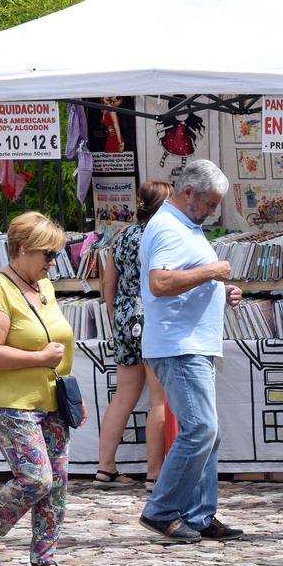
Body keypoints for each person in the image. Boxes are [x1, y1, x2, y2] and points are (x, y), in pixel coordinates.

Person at [0, 212, 86, 566]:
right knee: (35, 478)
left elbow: (56, 340)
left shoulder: (43, 287)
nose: (54, 263)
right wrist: (39, 359)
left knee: (58, 482)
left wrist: (61, 374)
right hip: (11, 401)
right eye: (48, 255)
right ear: (24, 249)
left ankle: (42, 561)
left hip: (51, 398)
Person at [137, 160, 246, 544]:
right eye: (211, 203)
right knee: (200, 429)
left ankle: (199, 515)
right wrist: (212, 274)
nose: (214, 211)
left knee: (207, 432)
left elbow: (185, 277)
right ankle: (162, 510)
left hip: (190, 342)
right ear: (188, 194)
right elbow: (160, 282)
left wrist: (220, 290)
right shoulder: (168, 227)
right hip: (178, 345)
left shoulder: (186, 227)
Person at [95, 180, 175, 490]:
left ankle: (105, 467)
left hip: (126, 319)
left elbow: (109, 283)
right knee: (159, 399)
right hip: (153, 318)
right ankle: (154, 473)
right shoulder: (162, 235)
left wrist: (116, 317)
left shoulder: (123, 236)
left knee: (124, 395)